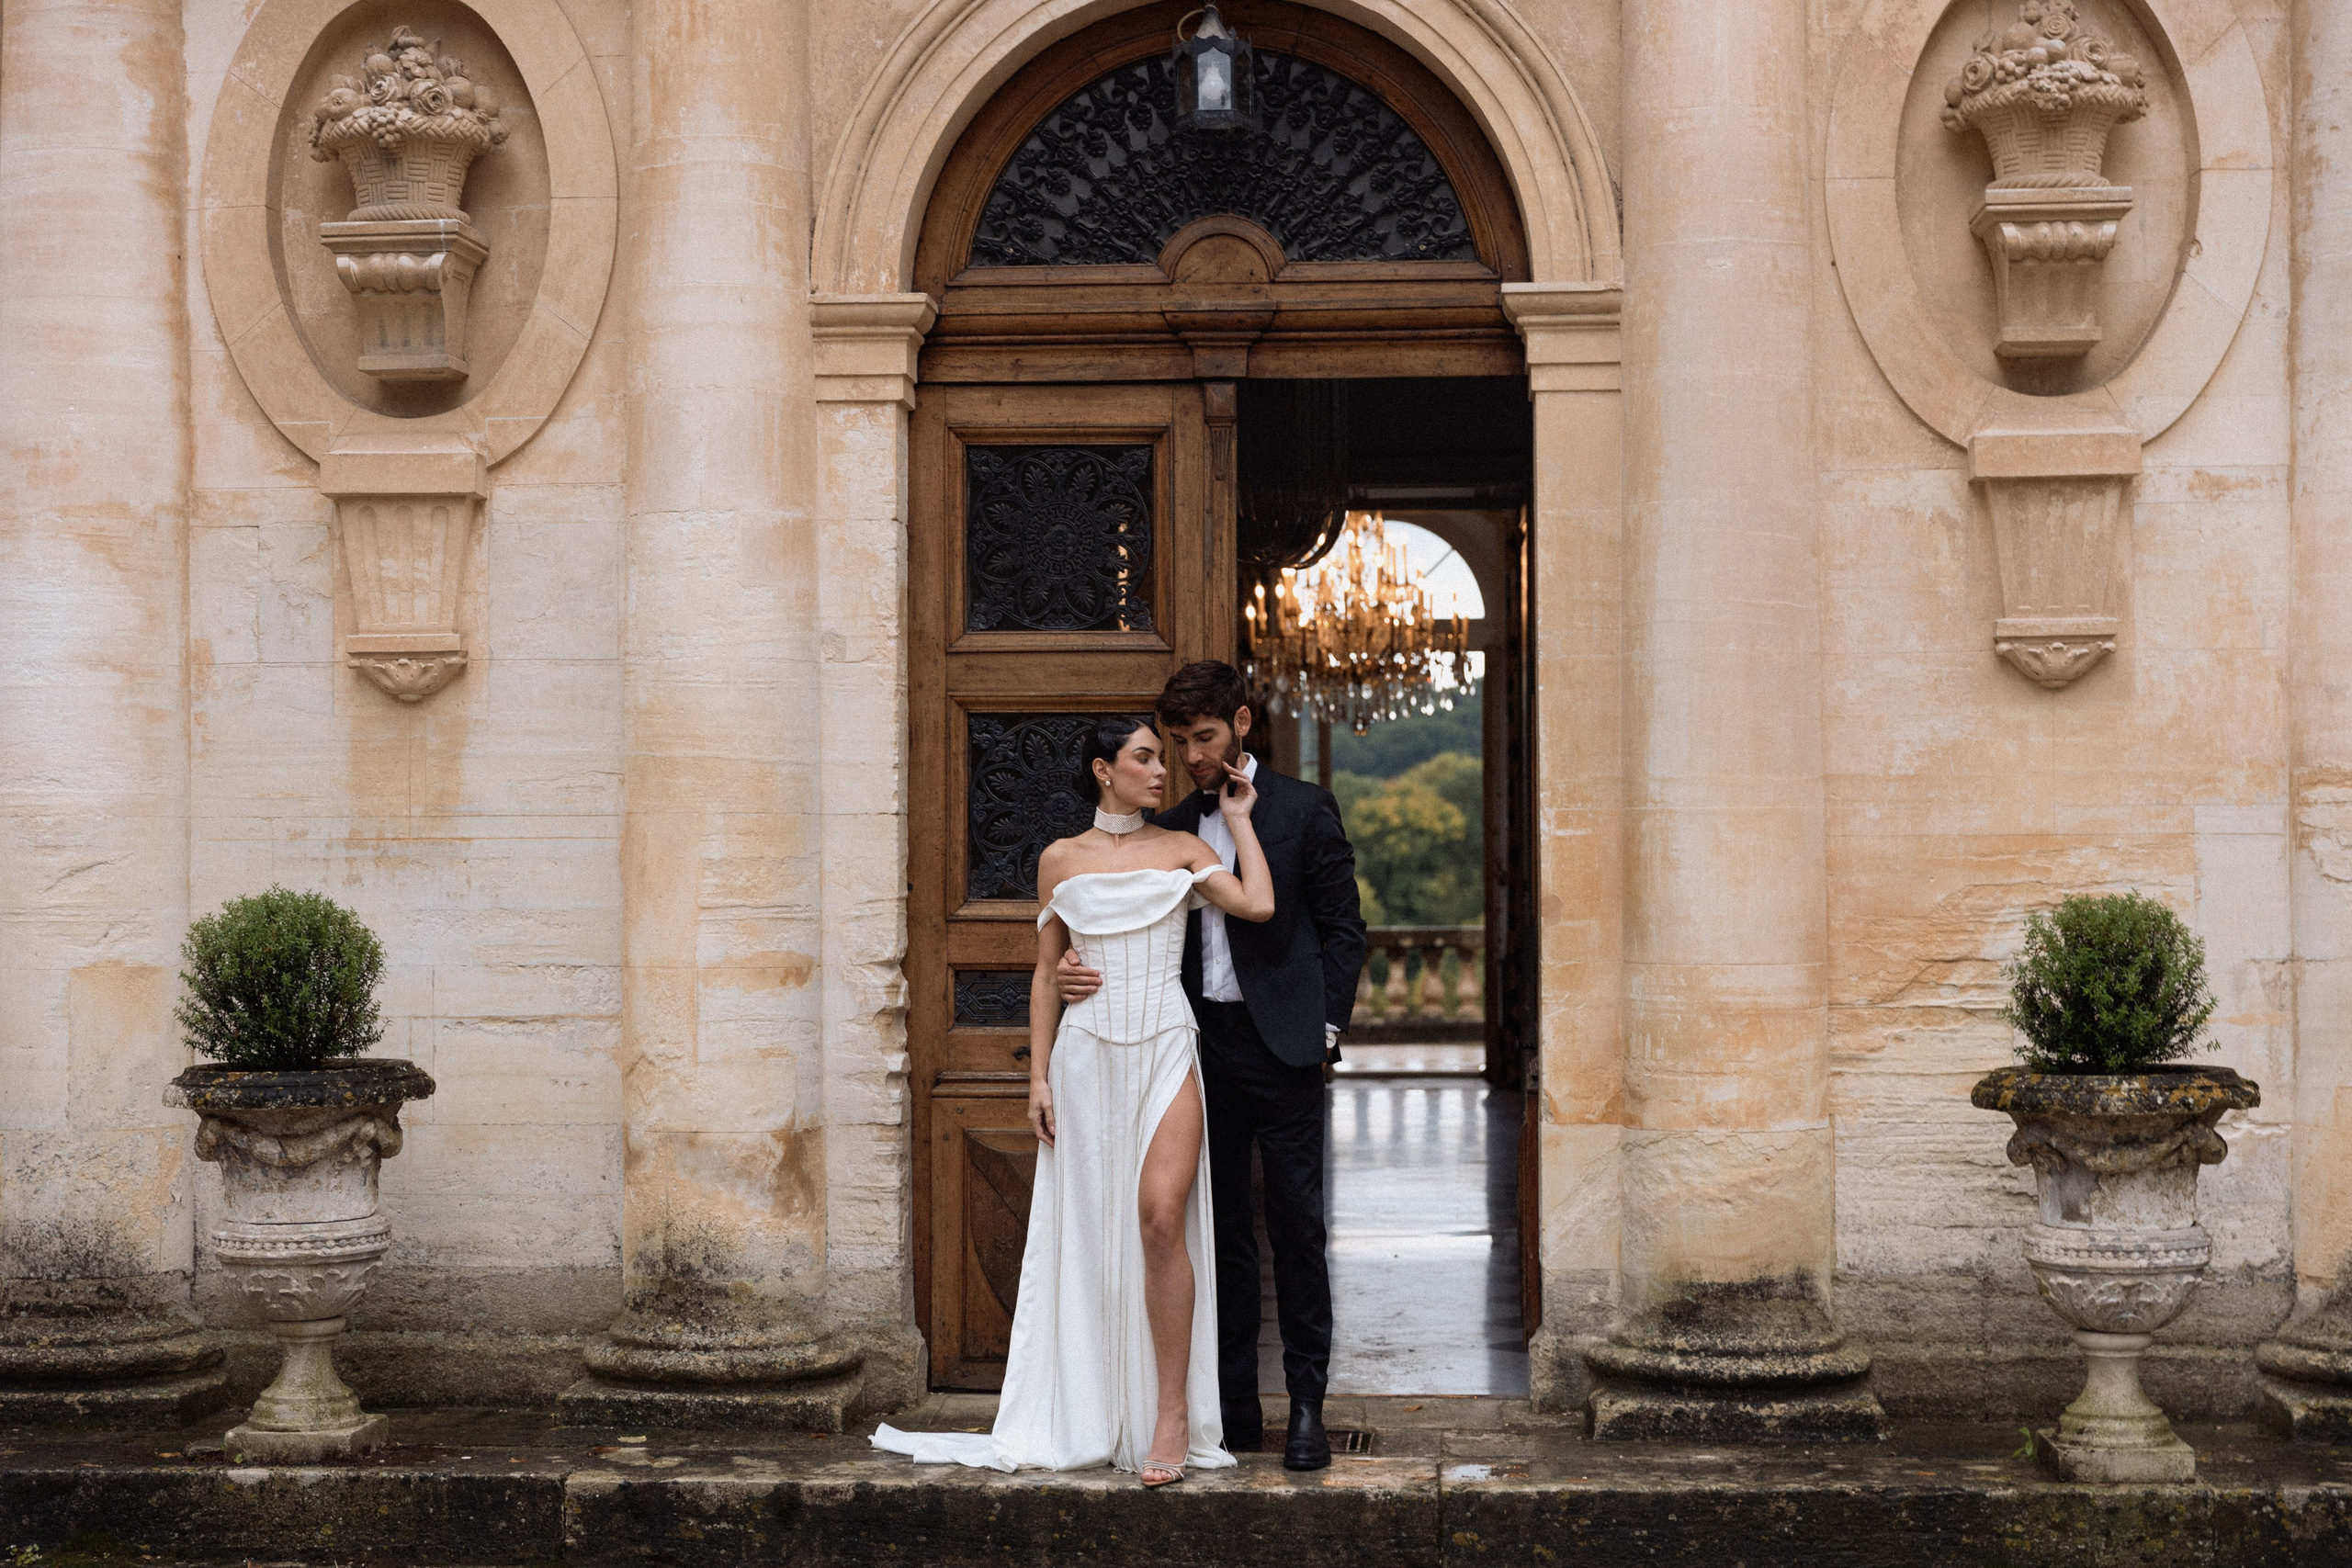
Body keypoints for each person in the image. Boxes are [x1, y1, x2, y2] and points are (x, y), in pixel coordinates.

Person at [873, 714, 1273, 1485]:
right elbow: (1043, 969)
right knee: (1094, 1230)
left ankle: (1169, 1417)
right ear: (1103, 769)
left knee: (1162, 1215)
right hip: (1086, 1059)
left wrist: (1238, 821)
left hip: (1165, 1044)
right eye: (1146, 757)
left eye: (1162, 758)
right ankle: (1094, 1405)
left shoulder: (1186, 847)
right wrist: (1038, 1079)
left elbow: (1257, 903)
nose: (1162, 771)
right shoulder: (1060, 860)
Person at [1057, 661, 1367, 1471]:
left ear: (1239, 724)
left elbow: (1343, 929)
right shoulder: (1171, 822)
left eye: (1203, 738)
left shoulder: (1303, 807)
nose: (1191, 756)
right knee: (1218, 1229)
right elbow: (1109, 917)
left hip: (1287, 1047)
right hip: (1193, 1049)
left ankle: (1306, 1405)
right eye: (1177, 742)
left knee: (1298, 1228)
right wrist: (1069, 970)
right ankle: (1232, 1406)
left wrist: (1326, 1028)